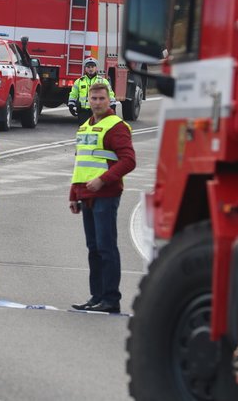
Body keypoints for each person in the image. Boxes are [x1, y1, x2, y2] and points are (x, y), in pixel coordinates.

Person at [69, 81, 136, 313]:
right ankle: (96, 296)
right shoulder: (85, 127)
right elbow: (80, 163)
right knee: (93, 248)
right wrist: (73, 193)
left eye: (101, 99)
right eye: (93, 98)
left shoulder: (116, 126)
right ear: (87, 100)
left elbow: (129, 161)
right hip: (86, 195)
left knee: (106, 247)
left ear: (109, 101)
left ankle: (111, 299)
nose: (96, 102)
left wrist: (103, 180)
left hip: (106, 194)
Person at [68, 57, 116, 126]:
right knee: (84, 132)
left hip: (98, 111)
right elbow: (73, 94)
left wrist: (112, 105)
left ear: (96, 68)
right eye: (88, 67)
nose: (90, 69)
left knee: (97, 131)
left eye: (93, 67)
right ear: (85, 68)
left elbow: (110, 94)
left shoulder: (103, 81)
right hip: (83, 112)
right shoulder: (79, 81)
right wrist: (71, 105)